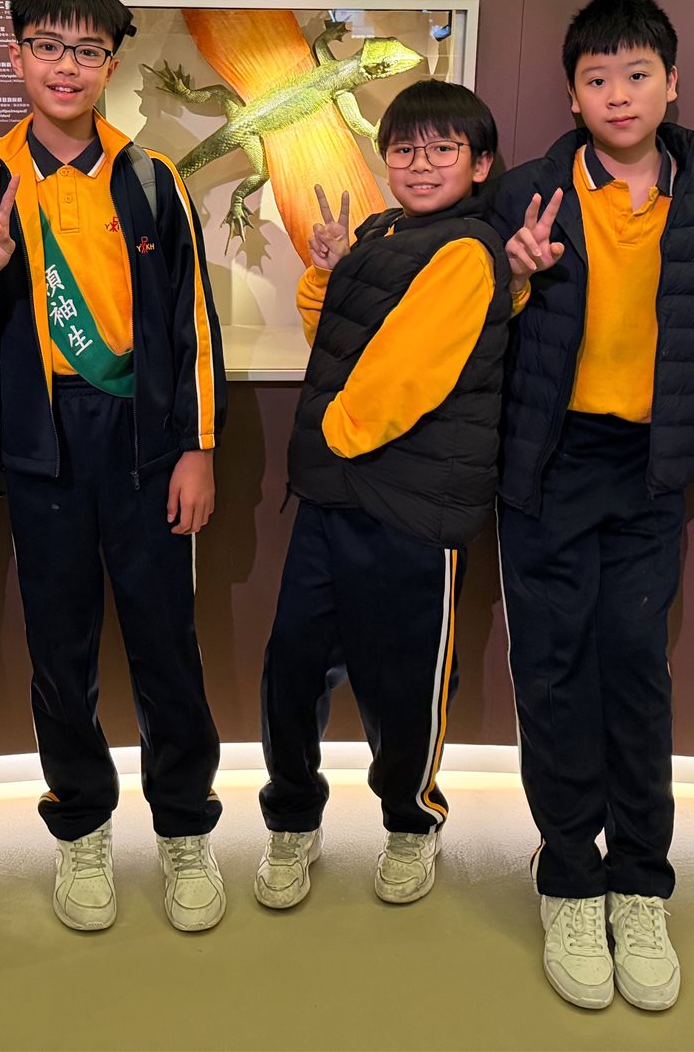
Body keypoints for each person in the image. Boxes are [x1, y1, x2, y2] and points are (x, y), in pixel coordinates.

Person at [491, 0, 694, 1012]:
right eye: (596, 78)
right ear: (572, 94)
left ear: (671, 83)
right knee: (552, 673)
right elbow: (473, 330)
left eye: (636, 74)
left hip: (652, 468)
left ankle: (640, 882)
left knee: (636, 673)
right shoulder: (528, 191)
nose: (617, 94)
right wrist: (513, 276)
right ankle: (568, 877)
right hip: (548, 465)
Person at [0, 0, 227, 933]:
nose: (65, 67)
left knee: (166, 645)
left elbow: (191, 325)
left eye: (87, 51)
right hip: (41, 443)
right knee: (58, 651)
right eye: (47, 47)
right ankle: (81, 827)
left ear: (111, 64)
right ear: (16, 53)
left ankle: (184, 826)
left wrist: (196, 448)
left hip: (143, 445)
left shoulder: (150, 180)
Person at [255, 80, 510, 912]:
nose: (420, 164)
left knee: (404, 685)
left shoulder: (468, 249)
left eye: (443, 150)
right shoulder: (381, 233)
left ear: (480, 164)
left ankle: (409, 822)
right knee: (292, 670)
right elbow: (333, 338)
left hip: (410, 506)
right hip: (333, 497)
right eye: (404, 149)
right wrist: (326, 273)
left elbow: (402, 377)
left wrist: (331, 432)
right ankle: (292, 819)